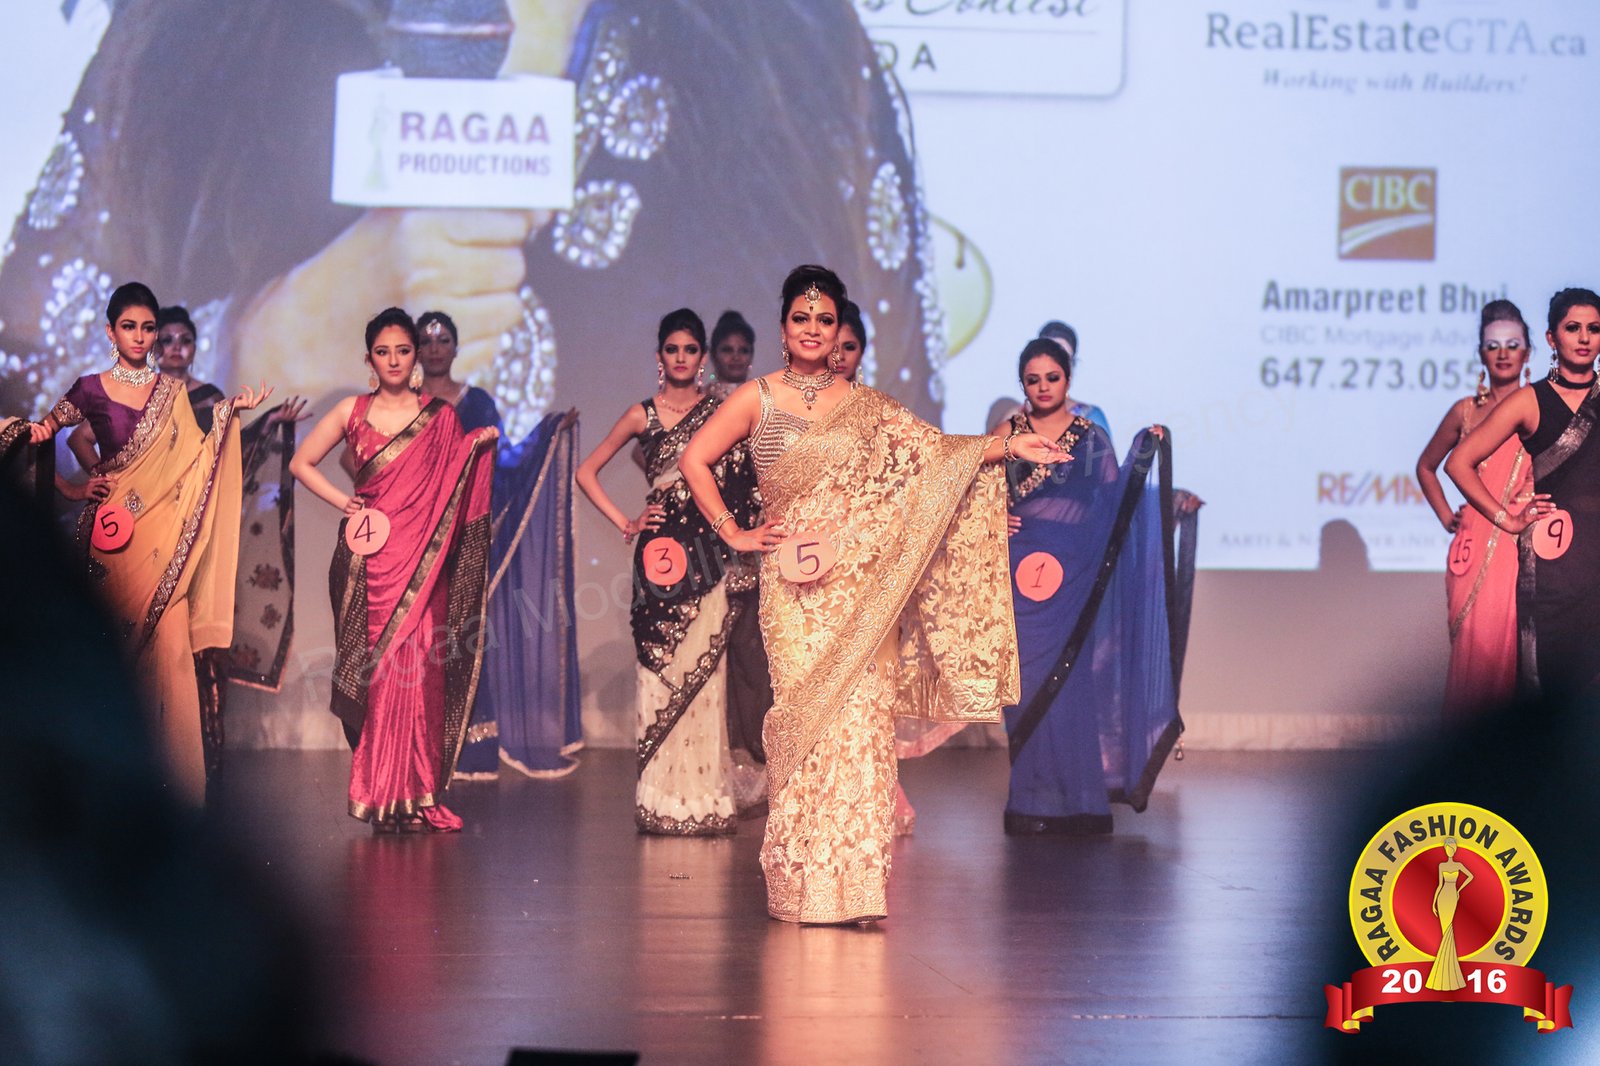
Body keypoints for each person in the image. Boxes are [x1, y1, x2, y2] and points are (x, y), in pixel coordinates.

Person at [679, 265, 1067, 923]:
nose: (812, 329)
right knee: (805, 722)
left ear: (840, 332)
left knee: (858, 724)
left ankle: (855, 886)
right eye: (801, 318)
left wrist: (1007, 445)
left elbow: (937, 456)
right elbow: (695, 460)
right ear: (782, 327)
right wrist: (733, 531)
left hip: (859, 591)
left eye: (825, 320)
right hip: (792, 593)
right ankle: (802, 882)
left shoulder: (868, 407)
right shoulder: (756, 397)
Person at [26, 282, 270, 805]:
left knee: (174, 658)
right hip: (112, 546)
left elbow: (194, 461)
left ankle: (177, 796)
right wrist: (73, 486)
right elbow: (46, 434)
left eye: (148, 327)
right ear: (110, 331)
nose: (139, 336)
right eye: (129, 327)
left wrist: (227, 416)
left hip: (165, 543)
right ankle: (108, 789)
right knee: (114, 659)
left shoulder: (172, 393)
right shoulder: (89, 389)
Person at [288, 307, 497, 831]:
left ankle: (420, 794)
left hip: (423, 564)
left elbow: (451, 486)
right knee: (377, 680)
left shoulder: (440, 417)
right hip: (369, 564)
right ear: (369, 359)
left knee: (422, 674)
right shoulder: (351, 411)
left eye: (403, 351)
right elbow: (300, 463)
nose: (395, 360)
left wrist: (476, 449)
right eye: (383, 352)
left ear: (417, 355)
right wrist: (345, 501)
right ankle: (381, 794)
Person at [575, 308, 760, 834]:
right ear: (660, 357)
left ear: (703, 357)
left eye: (690, 349)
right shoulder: (642, 415)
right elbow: (586, 472)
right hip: (659, 558)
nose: (681, 358)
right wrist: (628, 521)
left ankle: (703, 798)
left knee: (706, 675)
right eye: (672, 349)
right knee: (658, 670)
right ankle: (660, 800)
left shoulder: (721, 412)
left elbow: (744, 478)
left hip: (709, 553)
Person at [1001, 338, 1188, 835]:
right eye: (1033, 379)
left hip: (1073, 572)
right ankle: (1028, 802)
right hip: (1018, 572)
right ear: (1022, 383)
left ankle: (1079, 803)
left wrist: (1144, 450)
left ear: (1068, 379)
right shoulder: (1007, 433)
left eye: (1053, 377)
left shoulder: (1091, 438)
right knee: (1024, 686)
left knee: (1070, 684)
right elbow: (974, 493)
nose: (1043, 387)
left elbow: (1114, 498)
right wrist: (993, 519)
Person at [1447, 288, 1600, 700]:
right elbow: (1458, 462)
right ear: (1551, 338)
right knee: (1548, 685)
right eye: (1573, 328)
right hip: (1552, 564)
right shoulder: (1529, 401)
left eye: (1594, 329)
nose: (1584, 338)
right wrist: (1508, 520)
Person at [1415, 300, 1533, 718]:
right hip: (1474, 542)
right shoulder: (1466, 411)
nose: (1503, 353)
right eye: (1492, 345)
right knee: (1475, 646)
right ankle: (1471, 750)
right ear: (1481, 353)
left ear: (1528, 352)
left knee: (1518, 649)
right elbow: (1427, 467)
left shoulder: (1539, 407)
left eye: (1512, 344)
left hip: (1520, 544)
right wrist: (1446, 515)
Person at [1425, 838, 1474, 992]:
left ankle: (1447, 973)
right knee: (1445, 931)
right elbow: (1439, 884)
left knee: (1448, 930)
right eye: (1447, 848)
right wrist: (1433, 902)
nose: (1449, 851)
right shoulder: (1441, 865)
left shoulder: (1458, 865)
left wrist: (1459, 890)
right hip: (1443, 897)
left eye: (1451, 848)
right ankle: (1447, 972)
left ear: (1455, 849)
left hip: (1452, 895)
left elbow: (1470, 876)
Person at [708, 310, 757, 400]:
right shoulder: (700, 399)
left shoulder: (764, 399)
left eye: (743, 351)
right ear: (714, 354)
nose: (736, 357)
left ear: (751, 354)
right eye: (727, 350)